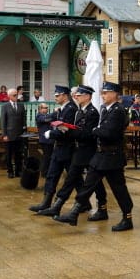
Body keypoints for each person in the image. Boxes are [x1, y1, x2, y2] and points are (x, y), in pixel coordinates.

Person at [56, 81, 134, 231]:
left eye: (105, 93)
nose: (103, 95)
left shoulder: (118, 111)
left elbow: (108, 133)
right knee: (88, 184)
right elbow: (101, 129)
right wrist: (98, 129)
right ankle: (74, 212)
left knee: (119, 188)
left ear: (114, 94)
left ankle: (127, 218)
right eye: (102, 93)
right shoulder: (106, 109)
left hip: (112, 156)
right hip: (102, 154)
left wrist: (96, 130)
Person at [35, 85, 108, 220]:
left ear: (87, 96)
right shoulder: (80, 111)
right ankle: (58, 206)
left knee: (93, 182)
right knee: (74, 179)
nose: (76, 97)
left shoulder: (92, 112)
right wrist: (67, 130)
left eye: (79, 95)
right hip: (79, 150)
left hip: (88, 150)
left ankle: (100, 207)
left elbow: (87, 134)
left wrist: (68, 130)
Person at [33, 86, 78, 210]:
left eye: (58, 95)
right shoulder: (63, 109)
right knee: (52, 175)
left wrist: (51, 134)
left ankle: (84, 202)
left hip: (67, 148)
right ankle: (46, 202)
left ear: (65, 95)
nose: (55, 97)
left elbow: (66, 129)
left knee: (75, 178)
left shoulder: (70, 109)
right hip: (59, 147)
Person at [0, 88, 26, 178]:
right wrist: (4, 134)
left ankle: (18, 171)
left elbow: (24, 119)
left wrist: (24, 131)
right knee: (9, 154)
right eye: (14, 95)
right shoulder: (5, 106)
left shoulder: (21, 105)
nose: (16, 97)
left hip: (19, 134)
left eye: (17, 95)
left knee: (19, 154)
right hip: (9, 135)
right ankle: (10, 171)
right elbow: (3, 121)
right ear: (9, 96)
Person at [34, 103, 54, 177]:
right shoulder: (39, 116)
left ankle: (46, 171)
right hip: (45, 140)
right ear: (40, 109)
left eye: (47, 107)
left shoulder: (47, 115)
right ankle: (44, 173)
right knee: (47, 157)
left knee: (48, 156)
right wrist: (55, 113)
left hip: (50, 139)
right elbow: (46, 119)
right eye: (45, 108)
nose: (46, 109)